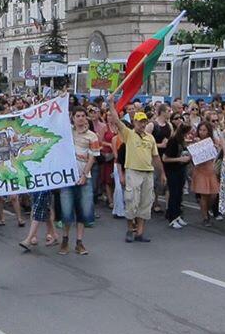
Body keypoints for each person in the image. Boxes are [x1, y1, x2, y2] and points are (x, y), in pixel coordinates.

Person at [108, 94, 165, 243]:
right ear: (133, 122)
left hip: (148, 173)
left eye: (144, 122)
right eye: (139, 122)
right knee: (132, 201)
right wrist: (111, 104)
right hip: (133, 172)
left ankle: (140, 232)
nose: (142, 124)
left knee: (146, 203)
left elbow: (156, 157)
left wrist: (162, 173)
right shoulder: (128, 134)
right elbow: (116, 119)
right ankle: (129, 229)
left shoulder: (150, 138)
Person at [58, 107, 99, 255]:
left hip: (84, 178)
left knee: (83, 211)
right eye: (78, 116)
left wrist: (84, 175)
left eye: (83, 116)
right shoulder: (67, 133)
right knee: (67, 211)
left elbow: (92, 157)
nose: (80, 118)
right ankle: (65, 240)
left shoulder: (92, 136)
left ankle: (79, 242)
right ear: (73, 118)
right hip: (67, 178)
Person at [162, 124, 192, 229]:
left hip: (180, 170)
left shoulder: (182, 141)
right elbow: (165, 158)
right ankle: (172, 217)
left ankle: (178, 215)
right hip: (172, 171)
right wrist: (179, 159)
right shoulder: (173, 141)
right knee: (173, 194)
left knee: (179, 194)